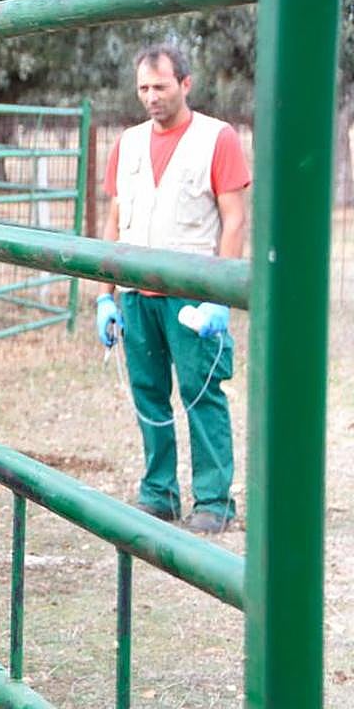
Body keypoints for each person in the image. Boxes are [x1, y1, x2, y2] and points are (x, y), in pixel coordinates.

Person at [95, 43, 250, 534]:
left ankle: (214, 501)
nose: (151, 97)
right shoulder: (128, 143)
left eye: (160, 86)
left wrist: (220, 296)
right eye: (143, 88)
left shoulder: (217, 138)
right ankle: (158, 492)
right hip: (137, 292)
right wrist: (105, 295)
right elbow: (115, 219)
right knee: (148, 394)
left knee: (201, 392)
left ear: (185, 84)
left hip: (192, 291)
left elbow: (234, 219)